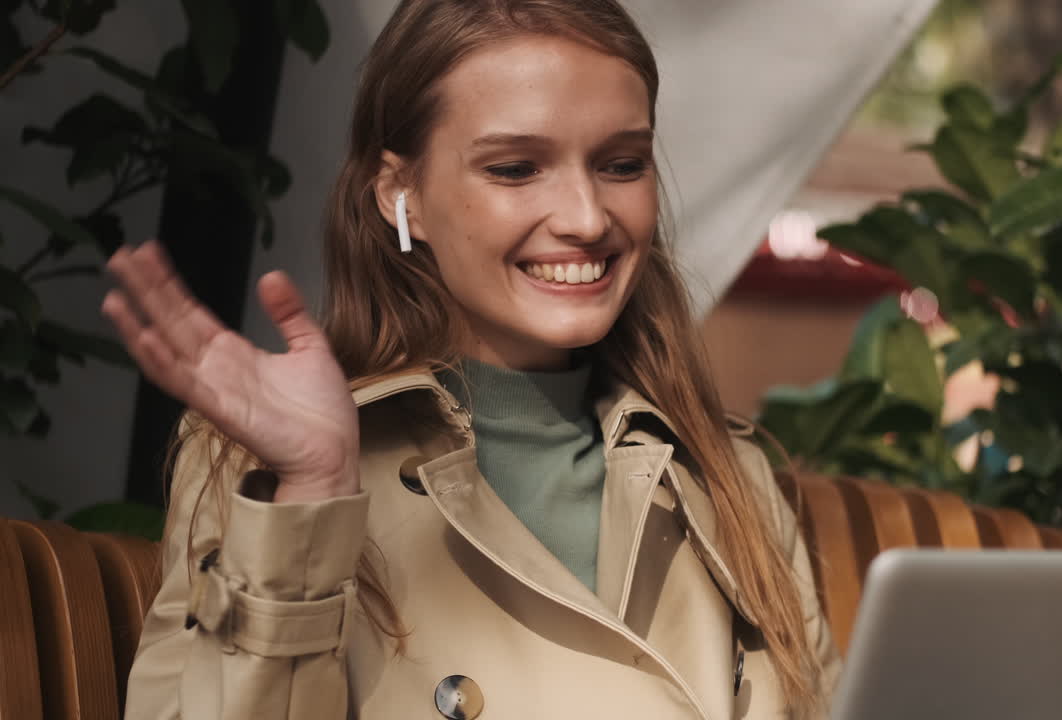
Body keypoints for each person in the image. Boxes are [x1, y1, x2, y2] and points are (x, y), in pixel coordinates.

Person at [105, 1, 839, 717]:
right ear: (402, 194)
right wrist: (311, 495)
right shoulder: (261, 470)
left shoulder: (727, 475)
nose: (586, 218)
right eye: (516, 169)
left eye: (621, 164)